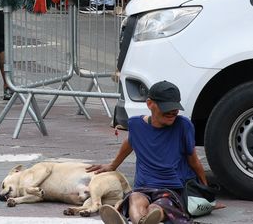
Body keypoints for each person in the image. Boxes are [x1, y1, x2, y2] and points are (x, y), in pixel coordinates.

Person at [88, 81, 208, 224]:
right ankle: (142, 221)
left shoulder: (183, 126)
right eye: (166, 108)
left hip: (171, 189)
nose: (172, 113)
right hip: (143, 187)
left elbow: (193, 160)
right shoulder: (136, 125)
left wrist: (205, 192)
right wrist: (113, 165)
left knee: (158, 206)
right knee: (135, 199)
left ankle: (136, 220)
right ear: (150, 104)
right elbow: (129, 143)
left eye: (175, 108)